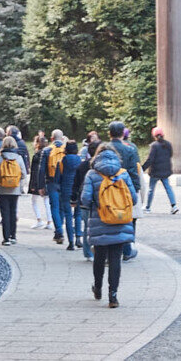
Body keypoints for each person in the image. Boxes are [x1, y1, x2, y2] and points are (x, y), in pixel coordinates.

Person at [80, 142, 137, 308]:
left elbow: (85, 199)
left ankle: (97, 288)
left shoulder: (92, 174)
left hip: (100, 221)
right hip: (119, 220)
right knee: (115, 259)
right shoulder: (123, 174)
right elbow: (133, 198)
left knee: (99, 257)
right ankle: (113, 296)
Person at [109, 122, 142, 261]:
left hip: (107, 189)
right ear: (123, 133)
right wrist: (135, 190)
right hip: (124, 189)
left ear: (109, 133)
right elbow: (134, 173)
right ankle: (126, 250)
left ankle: (109, 249)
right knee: (125, 219)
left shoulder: (103, 148)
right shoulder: (129, 150)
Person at [0, 136, 28, 246]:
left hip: (2, 189)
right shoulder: (19, 158)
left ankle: (6, 238)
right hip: (15, 189)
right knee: (13, 212)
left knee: (5, 214)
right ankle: (13, 236)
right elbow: (24, 174)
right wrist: (20, 187)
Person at [71, 140, 102, 261]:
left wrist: (73, 198)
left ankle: (88, 252)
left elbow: (76, 183)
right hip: (98, 200)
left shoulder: (82, 165)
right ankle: (97, 250)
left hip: (84, 201)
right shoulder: (100, 166)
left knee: (86, 227)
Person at [38, 129, 67, 243]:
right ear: (62, 138)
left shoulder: (46, 150)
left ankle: (59, 231)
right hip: (64, 182)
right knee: (62, 208)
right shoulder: (66, 150)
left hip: (51, 182)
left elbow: (41, 170)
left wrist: (40, 186)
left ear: (51, 138)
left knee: (54, 207)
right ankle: (59, 230)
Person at [142, 127, 179, 215]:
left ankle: (148, 207)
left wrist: (142, 168)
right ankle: (174, 206)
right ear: (163, 134)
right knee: (168, 188)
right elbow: (170, 155)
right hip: (165, 170)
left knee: (151, 189)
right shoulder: (168, 144)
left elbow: (150, 159)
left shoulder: (154, 145)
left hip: (155, 171)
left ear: (154, 135)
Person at [58, 140, 82, 250]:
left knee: (68, 215)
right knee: (78, 214)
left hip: (66, 189)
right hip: (77, 189)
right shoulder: (80, 160)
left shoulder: (64, 160)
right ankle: (78, 238)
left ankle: (71, 242)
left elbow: (59, 176)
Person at [27, 136, 52, 229]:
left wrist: (33, 184)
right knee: (47, 201)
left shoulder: (37, 155)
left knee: (34, 201)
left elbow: (34, 171)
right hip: (47, 179)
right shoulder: (49, 153)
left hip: (37, 180)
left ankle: (39, 220)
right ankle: (49, 221)